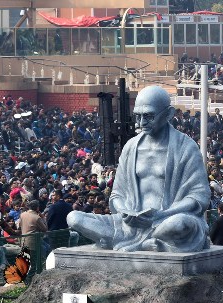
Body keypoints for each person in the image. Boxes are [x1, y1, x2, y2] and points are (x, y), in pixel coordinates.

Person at [68, 86, 211, 253]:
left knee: (181, 224)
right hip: (129, 224)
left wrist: (161, 215)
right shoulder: (131, 147)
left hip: (166, 221)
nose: (142, 123)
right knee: (74, 218)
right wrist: (125, 212)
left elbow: (199, 197)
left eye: (149, 116)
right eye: (138, 116)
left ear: (169, 114)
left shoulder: (186, 147)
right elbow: (117, 195)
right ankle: (142, 241)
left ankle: (141, 242)